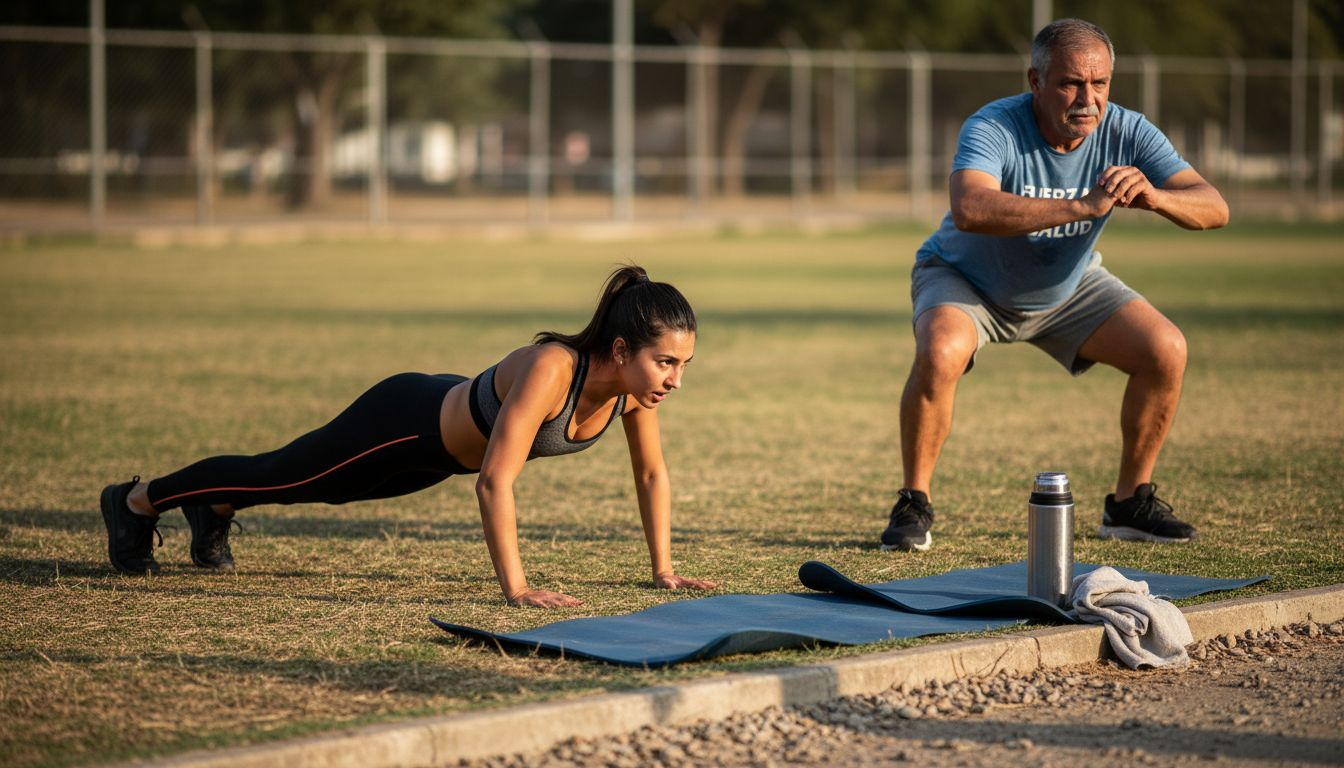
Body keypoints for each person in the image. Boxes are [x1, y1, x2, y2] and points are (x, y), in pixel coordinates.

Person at [100, 265, 717, 608]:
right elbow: (496, 481)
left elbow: (651, 474)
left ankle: (217, 506)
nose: (676, 379)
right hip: (405, 423)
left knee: (322, 492)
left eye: (683, 365)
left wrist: (663, 569)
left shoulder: (635, 392)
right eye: (666, 362)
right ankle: (137, 500)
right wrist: (518, 588)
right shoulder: (554, 367)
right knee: (289, 474)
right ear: (619, 348)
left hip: (437, 456)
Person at [880, 18, 1229, 553]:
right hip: (966, 279)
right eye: (1070, 83)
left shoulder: (1128, 131)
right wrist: (1080, 206)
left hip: (1068, 286)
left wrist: (1157, 197)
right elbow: (970, 207)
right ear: (1036, 81)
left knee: (1166, 349)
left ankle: (1129, 504)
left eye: (1100, 84)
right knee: (941, 349)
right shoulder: (993, 125)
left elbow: (1215, 207)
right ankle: (914, 502)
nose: (1087, 98)